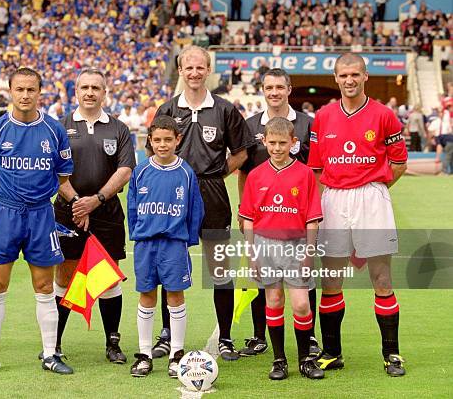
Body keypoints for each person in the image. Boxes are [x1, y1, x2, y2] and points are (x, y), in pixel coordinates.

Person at [307, 53, 408, 376]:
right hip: (334, 199)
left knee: (381, 278)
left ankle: (391, 354)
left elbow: (399, 162)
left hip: (371, 198)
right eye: (343, 75)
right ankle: (332, 352)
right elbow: (317, 169)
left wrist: (375, 192)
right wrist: (327, 202)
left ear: (365, 76)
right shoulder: (322, 117)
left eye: (355, 74)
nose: (349, 80)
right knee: (331, 280)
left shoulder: (384, 115)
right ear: (335, 79)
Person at [150, 45, 251, 361]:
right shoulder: (167, 110)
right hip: (172, 194)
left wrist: (219, 172)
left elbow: (242, 152)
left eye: (200, 68)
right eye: (188, 68)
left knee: (219, 266)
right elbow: (154, 152)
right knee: (169, 264)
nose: (194, 73)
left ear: (209, 70)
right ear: (180, 70)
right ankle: (167, 335)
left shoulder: (224, 109)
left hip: (211, 192)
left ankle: (225, 337)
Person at [0, 67, 74, 375]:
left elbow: (63, 174)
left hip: (42, 214)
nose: (26, 95)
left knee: (44, 285)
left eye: (32, 90)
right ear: (10, 92)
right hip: (5, 213)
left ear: (40, 93)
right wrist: (8, 194)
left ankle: (49, 354)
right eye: (20, 89)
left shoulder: (55, 130)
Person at [52, 67, 135, 364]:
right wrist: (78, 202)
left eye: (95, 88)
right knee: (64, 274)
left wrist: (96, 200)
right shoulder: (59, 126)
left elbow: (125, 170)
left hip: (107, 212)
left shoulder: (118, 128)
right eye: (84, 87)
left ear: (104, 93)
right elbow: (54, 171)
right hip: (66, 212)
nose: (90, 92)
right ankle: (54, 343)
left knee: (108, 279)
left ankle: (112, 343)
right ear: (75, 91)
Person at [236, 68, 321, 358]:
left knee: (302, 288)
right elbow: (245, 171)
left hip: (298, 217)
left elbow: (316, 168)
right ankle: (263, 338)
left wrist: (313, 211)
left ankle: (307, 341)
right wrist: (244, 211)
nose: (274, 92)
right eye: (269, 87)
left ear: (289, 89)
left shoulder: (308, 123)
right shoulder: (249, 125)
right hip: (263, 218)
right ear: (262, 89)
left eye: (279, 87)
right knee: (269, 289)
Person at [127, 116, 204, 378]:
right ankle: (144, 354)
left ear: (177, 140)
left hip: (173, 244)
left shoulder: (185, 172)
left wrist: (188, 239)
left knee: (175, 295)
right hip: (146, 244)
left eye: (168, 139)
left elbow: (195, 209)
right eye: (157, 140)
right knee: (147, 295)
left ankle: (176, 354)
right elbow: (133, 207)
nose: (162, 145)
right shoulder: (141, 171)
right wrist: (137, 234)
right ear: (150, 140)